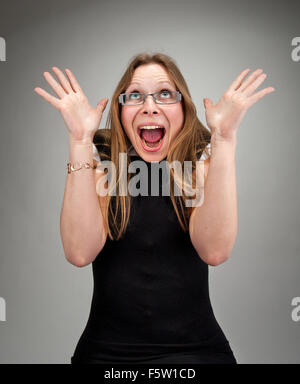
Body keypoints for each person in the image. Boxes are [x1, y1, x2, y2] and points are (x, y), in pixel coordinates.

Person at [34, 52, 275, 364]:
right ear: (121, 112)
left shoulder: (202, 164)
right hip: (106, 356)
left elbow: (214, 251)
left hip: (197, 353)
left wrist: (225, 140)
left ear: (183, 107)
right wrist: (79, 140)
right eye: (135, 95)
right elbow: (79, 253)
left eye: (164, 94)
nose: (150, 106)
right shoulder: (100, 165)